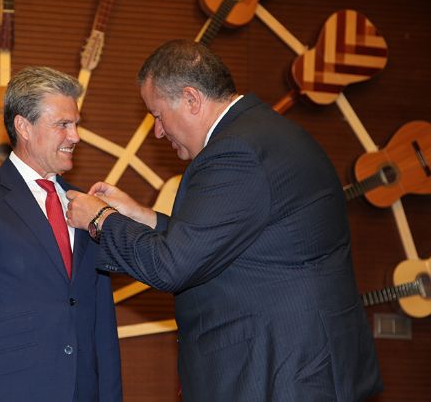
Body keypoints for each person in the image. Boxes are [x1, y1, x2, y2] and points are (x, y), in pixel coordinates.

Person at [66, 40, 382, 401]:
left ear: (191, 99)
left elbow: (172, 266)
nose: (157, 131)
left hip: (281, 373)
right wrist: (143, 216)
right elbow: (227, 245)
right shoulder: (265, 132)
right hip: (303, 367)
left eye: (157, 115)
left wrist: (101, 218)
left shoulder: (235, 152)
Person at [0, 66, 122, 402]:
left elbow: (101, 324)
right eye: (63, 124)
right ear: (24, 126)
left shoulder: (86, 206)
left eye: (76, 125)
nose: (75, 136)